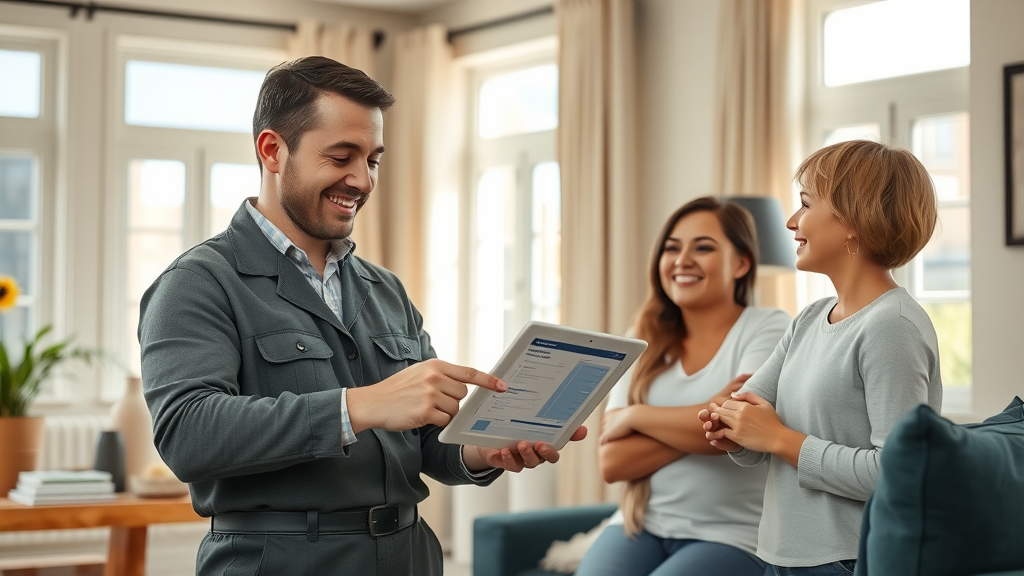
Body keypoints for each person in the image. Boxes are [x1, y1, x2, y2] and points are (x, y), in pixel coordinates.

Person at [137, 56, 585, 576]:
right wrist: (362, 406)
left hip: (410, 558)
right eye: (341, 156)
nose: (362, 180)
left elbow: (425, 445)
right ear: (272, 150)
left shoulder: (384, 288)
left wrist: (485, 450)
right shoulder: (198, 283)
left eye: (372, 159)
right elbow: (187, 436)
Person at [700, 140, 943, 576]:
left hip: (849, 562)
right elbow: (751, 412)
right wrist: (734, 433)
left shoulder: (892, 327)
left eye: (805, 204)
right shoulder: (809, 319)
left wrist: (777, 438)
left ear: (853, 220)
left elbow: (897, 475)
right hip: (780, 555)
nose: (792, 222)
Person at [574, 197, 791, 576]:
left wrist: (637, 416)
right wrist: (708, 412)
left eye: (703, 247)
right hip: (639, 524)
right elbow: (612, 463)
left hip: (735, 535)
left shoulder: (769, 327)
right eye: (672, 248)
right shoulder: (640, 338)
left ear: (741, 263)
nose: (682, 260)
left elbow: (739, 430)